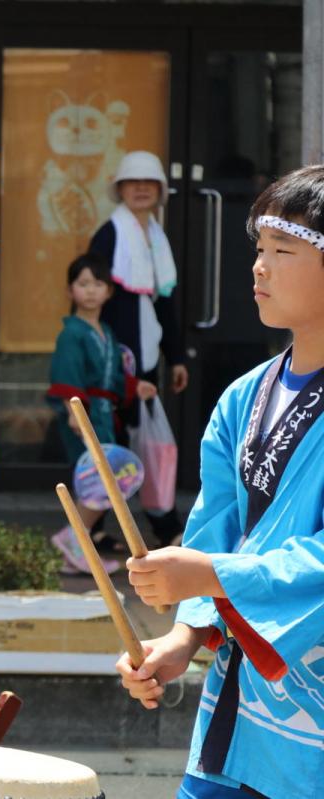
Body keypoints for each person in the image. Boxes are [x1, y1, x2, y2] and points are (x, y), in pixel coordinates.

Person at [117, 165, 324, 799]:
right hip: (236, 708)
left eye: (282, 252)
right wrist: (183, 637)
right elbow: (215, 530)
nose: (259, 268)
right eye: (259, 250)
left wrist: (211, 575)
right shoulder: (244, 397)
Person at [90, 150, 187, 548]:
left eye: (150, 183)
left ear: (161, 191)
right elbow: (93, 296)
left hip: (144, 359)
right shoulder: (110, 234)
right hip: (116, 363)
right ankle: (96, 529)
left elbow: (164, 302)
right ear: (121, 190)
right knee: (116, 449)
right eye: (134, 183)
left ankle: (159, 527)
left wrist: (176, 356)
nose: (142, 189)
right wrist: (103, 360)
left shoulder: (156, 238)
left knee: (142, 447)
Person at [47, 253, 157, 575]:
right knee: (99, 480)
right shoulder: (71, 334)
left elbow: (114, 376)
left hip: (103, 416)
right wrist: (72, 411)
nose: (91, 291)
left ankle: (74, 548)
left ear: (109, 291)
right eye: (83, 284)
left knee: (105, 480)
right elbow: (66, 375)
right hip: (83, 416)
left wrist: (135, 387)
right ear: (70, 291)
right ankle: (72, 537)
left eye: (98, 284)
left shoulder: (106, 331)